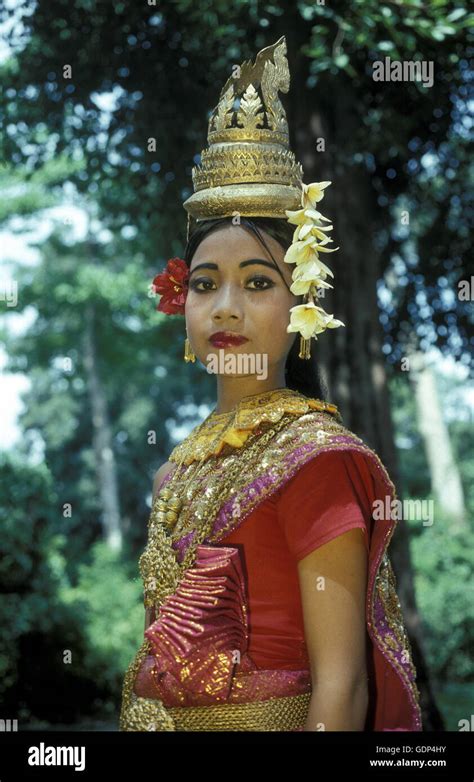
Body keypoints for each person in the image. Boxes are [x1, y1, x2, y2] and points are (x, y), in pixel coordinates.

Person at [119, 36, 422, 732]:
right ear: (181, 305)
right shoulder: (174, 472)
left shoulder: (318, 463)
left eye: (258, 283)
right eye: (204, 284)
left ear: (302, 304)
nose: (225, 306)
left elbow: (340, 697)